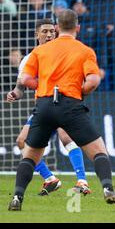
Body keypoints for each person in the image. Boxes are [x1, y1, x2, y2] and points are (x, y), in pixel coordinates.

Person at [8, 9, 115, 211]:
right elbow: (93, 80)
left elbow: (26, 80)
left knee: (29, 155)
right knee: (99, 151)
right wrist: (81, 92)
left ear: (56, 29)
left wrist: (43, 86)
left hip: (45, 105)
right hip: (70, 104)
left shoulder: (39, 52)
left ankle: (17, 197)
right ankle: (107, 188)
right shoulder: (84, 50)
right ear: (78, 28)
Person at [6, 19, 91, 196]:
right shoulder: (29, 58)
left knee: (65, 135)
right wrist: (14, 93)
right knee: (22, 141)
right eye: (44, 31)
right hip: (44, 109)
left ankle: (82, 181)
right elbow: (20, 87)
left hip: (65, 104)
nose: (49, 34)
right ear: (37, 35)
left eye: (52, 31)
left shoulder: (65, 53)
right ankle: (50, 178)